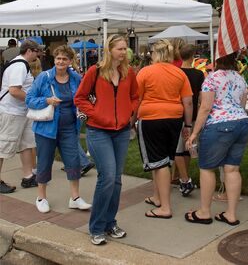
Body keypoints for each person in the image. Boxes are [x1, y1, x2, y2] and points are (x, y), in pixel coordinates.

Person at [74, 34, 139, 246]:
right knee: (107, 177)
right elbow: (80, 98)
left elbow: (135, 96)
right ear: (109, 50)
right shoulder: (95, 72)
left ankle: (110, 222)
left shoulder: (129, 73)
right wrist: (97, 115)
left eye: (124, 48)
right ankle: (96, 227)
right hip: (98, 131)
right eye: (119, 48)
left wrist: (130, 112)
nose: (123, 52)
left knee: (117, 179)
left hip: (120, 131)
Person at [185, 52, 248, 226]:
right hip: (241, 123)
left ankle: (205, 211)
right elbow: (243, 104)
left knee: (207, 168)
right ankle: (231, 213)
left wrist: (194, 133)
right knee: (232, 169)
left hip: (219, 124)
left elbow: (205, 108)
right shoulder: (240, 78)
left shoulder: (211, 79)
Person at [25, 46, 91, 213]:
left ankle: (75, 198)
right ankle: (41, 197)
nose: (61, 61)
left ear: (70, 61)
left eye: (64, 59)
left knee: (74, 162)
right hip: (46, 129)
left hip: (69, 128)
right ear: (54, 60)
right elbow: (29, 99)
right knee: (45, 162)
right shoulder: (44, 77)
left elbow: (83, 97)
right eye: (58, 58)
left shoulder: (75, 77)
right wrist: (47, 101)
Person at [136, 39, 193, 219]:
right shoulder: (179, 73)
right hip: (174, 118)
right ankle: (157, 197)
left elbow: (136, 98)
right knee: (163, 160)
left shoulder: (145, 72)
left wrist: (131, 119)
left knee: (159, 162)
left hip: (151, 118)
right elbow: (188, 101)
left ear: (155, 54)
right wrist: (188, 124)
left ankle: (165, 207)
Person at [0, 40, 40, 194]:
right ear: (29, 51)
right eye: (37, 51)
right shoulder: (19, 65)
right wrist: (33, 101)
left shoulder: (21, 64)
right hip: (12, 113)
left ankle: (28, 176)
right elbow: (14, 91)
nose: (39, 54)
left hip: (21, 112)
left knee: (27, 144)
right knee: (3, 146)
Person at [174, 43, 205, 197]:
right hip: (191, 114)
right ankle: (184, 179)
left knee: (181, 148)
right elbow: (200, 98)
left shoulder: (176, 72)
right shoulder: (199, 75)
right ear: (193, 57)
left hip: (177, 113)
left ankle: (182, 178)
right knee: (186, 148)